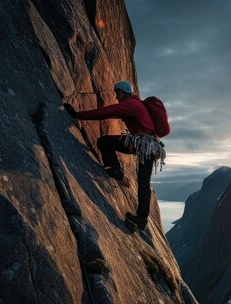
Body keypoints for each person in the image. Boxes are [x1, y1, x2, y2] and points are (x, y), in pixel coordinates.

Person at [63, 80, 165, 232]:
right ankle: (141, 218)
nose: (116, 97)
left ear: (124, 92)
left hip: (144, 145)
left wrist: (78, 115)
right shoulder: (136, 105)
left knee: (105, 142)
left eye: (117, 93)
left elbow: (106, 112)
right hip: (150, 146)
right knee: (143, 181)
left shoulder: (131, 105)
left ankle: (116, 169)